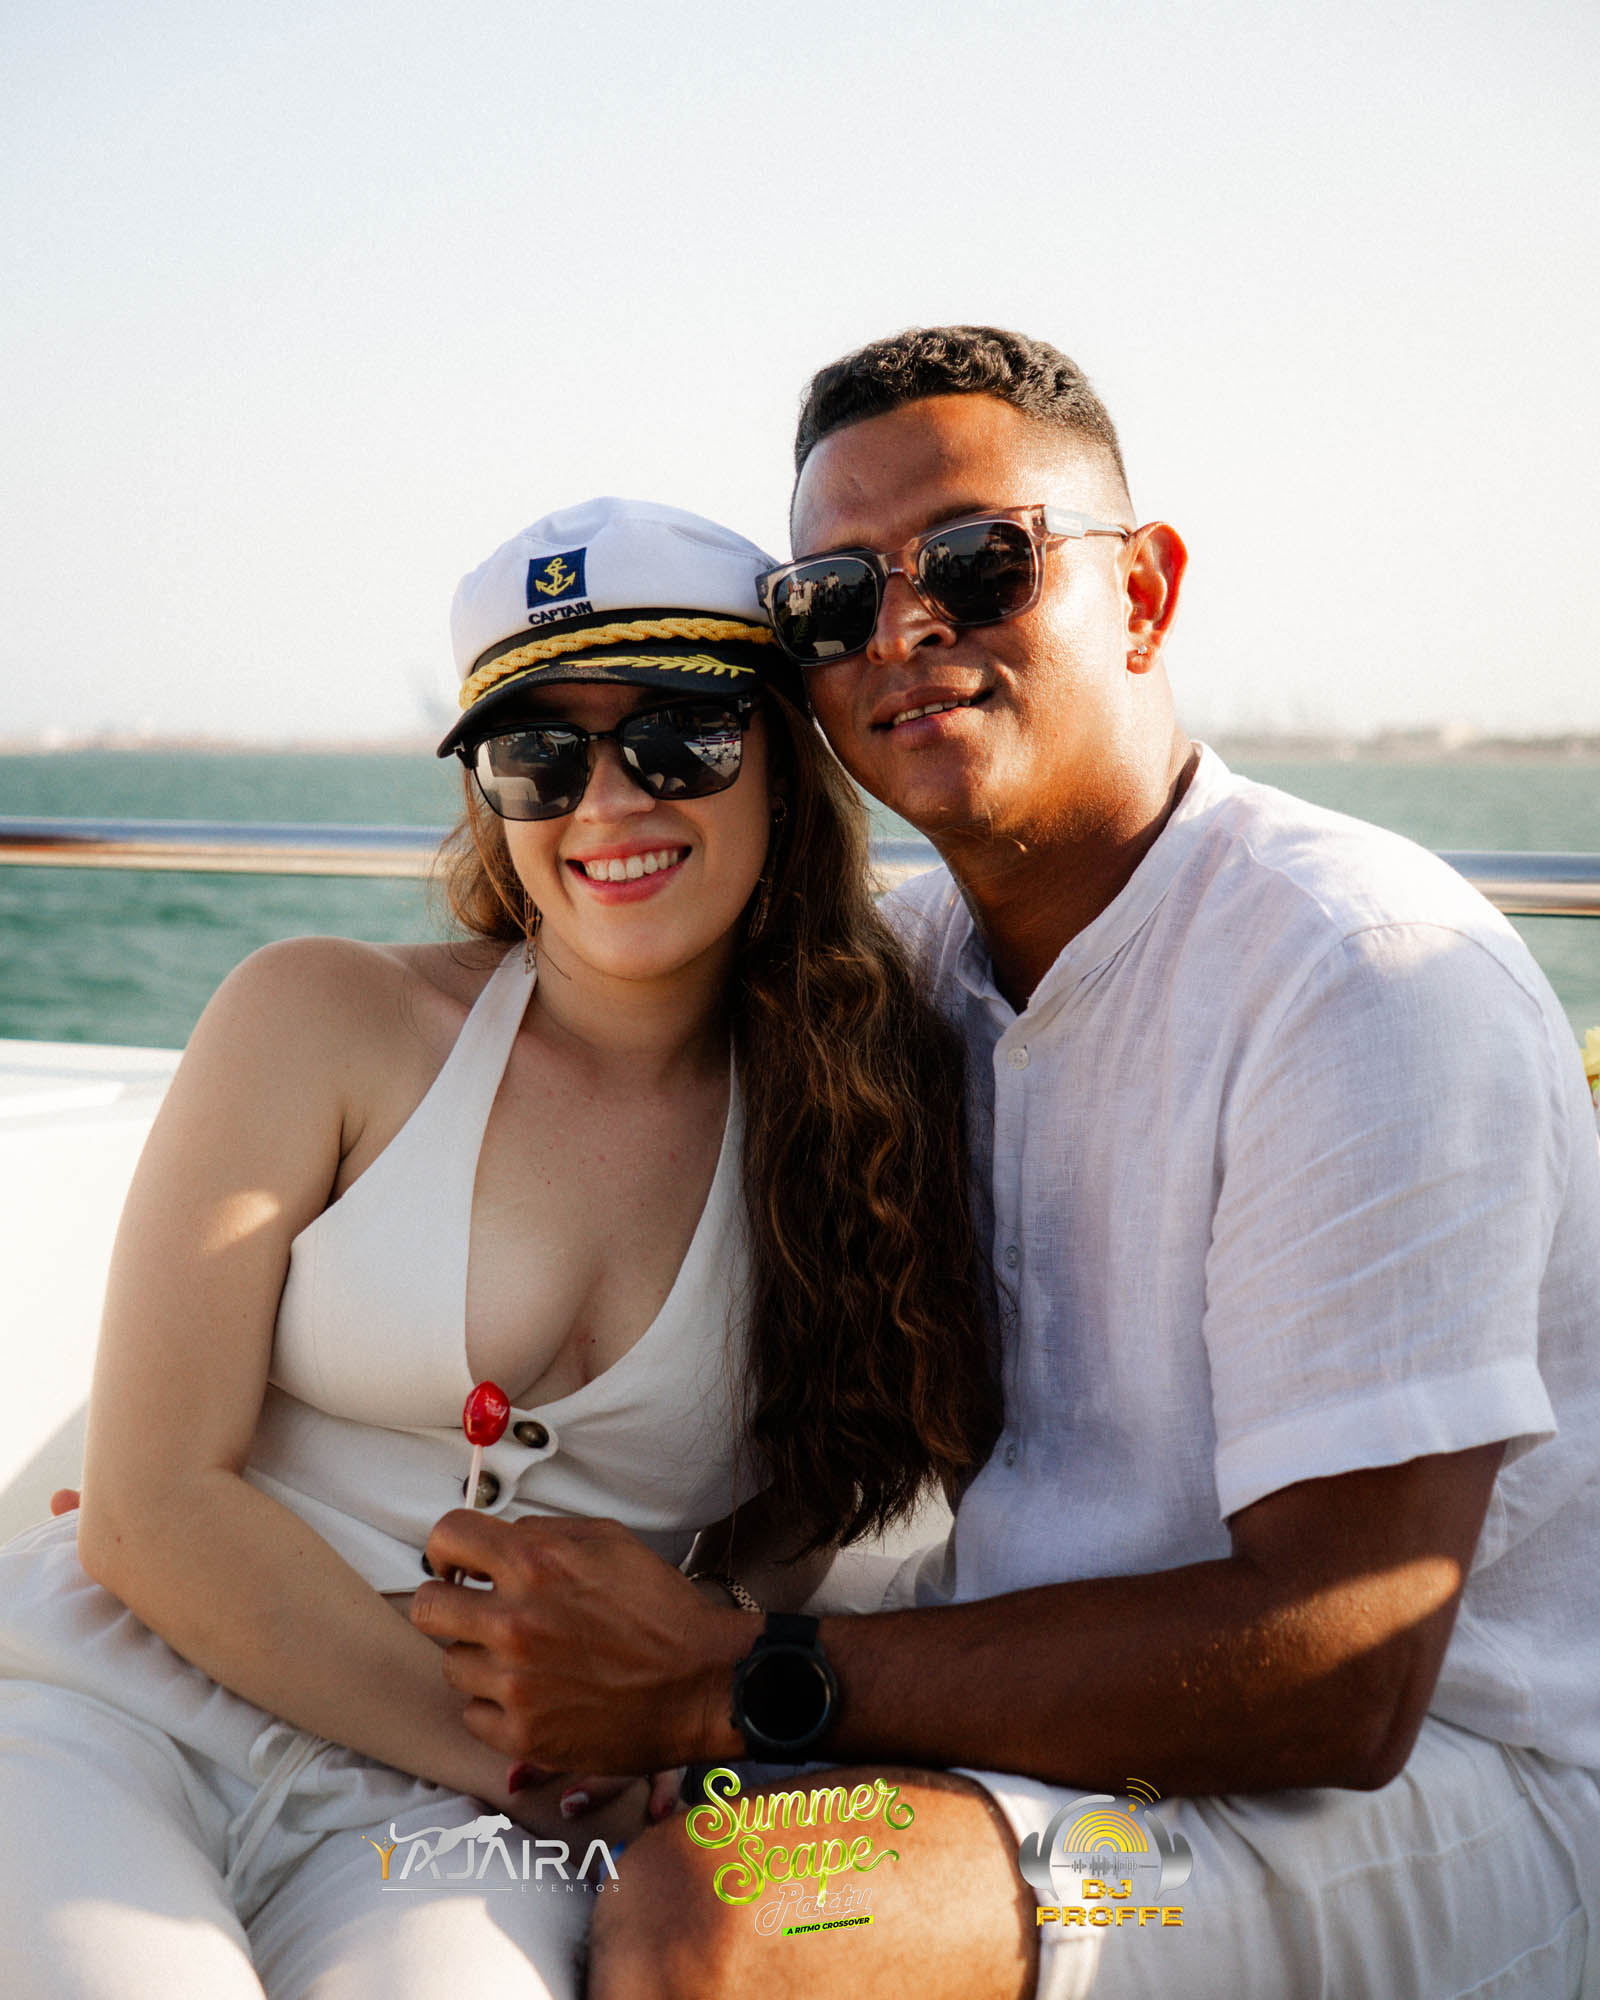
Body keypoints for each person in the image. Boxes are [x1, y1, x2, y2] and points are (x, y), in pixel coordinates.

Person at [415, 333, 1600, 1999]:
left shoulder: (1360, 978)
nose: (904, 628)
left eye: (977, 562)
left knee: (743, 1919)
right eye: (833, 599)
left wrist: (734, 1683)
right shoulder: (906, 976)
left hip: (1427, 1796)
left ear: (1145, 592)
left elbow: (1344, 1671)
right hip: (1027, 1726)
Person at [0, 495, 998, 1999]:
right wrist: (542, 1762)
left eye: (680, 738)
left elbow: (775, 1555)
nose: (610, 803)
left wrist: (653, 1721)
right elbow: (147, 1509)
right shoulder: (318, 1018)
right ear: (492, 798)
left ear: (784, 766)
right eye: (540, 754)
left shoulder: (849, 1135)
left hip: (468, 1825)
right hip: (128, 1698)